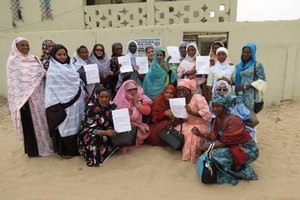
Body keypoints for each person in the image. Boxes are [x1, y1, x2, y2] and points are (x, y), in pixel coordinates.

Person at [193, 94, 259, 185]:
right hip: (233, 146)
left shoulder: (233, 121)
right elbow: (213, 137)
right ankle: (228, 167)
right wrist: (200, 134)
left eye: (218, 106)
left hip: (248, 150)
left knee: (212, 153)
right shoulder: (217, 119)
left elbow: (225, 142)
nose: (215, 109)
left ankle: (244, 171)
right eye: (213, 106)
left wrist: (207, 147)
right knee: (207, 150)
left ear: (224, 107)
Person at [6, 37, 53, 157]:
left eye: (27, 45)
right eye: (22, 45)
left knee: (43, 121)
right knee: (30, 125)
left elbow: (42, 73)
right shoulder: (13, 62)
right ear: (16, 47)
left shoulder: (34, 58)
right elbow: (15, 83)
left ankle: (46, 145)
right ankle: (34, 151)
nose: (26, 47)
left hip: (39, 96)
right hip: (25, 101)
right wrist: (22, 98)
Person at [45, 44, 85, 158]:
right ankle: (66, 151)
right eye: (59, 54)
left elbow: (77, 82)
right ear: (54, 56)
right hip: (63, 104)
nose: (62, 57)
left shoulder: (71, 67)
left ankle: (79, 147)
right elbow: (51, 89)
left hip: (77, 101)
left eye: (64, 54)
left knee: (78, 124)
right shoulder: (52, 71)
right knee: (65, 126)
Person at [78, 88, 118, 166]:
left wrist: (127, 113)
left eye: (106, 97)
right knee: (96, 139)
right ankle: (95, 158)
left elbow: (117, 116)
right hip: (90, 132)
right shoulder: (91, 108)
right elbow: (88, 128)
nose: (104, 99)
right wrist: (105, 132)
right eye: (101, 97)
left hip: (107, 130)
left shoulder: (111, 105)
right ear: (97, 97)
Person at [175, 79, 211, 162]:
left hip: (200, 124)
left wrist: (192, 112)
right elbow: (183, 116)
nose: (181, 92)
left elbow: (207, 114)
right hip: (187, 123)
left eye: (183, 90)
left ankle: (193, 153)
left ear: (189, 90)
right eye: (179, 90)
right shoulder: (181, 100)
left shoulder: (198, 98)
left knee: (192, 135)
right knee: (174, 132)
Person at [113, 80, 152, 152]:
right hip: (126, 126)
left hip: (139, 125)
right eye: (130, 90)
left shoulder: (141, 97)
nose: (133, 92)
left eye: (135, 89)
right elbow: (119, 120)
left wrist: (137, 104)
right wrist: (138, 126)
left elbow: (148, 111)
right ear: (124, 90)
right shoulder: (120, 101)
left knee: (142, 133)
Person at [234, 43, 266, 111]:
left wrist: (245, 86)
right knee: (239, 114)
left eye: (248, 52)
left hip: (251, 95)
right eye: (244, 52)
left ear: (253, 53)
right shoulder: (238, 66)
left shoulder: (257, 65)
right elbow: (235, 80)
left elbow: (262, 81)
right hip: (239, 94)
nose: (245, 54)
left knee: (250, 116)